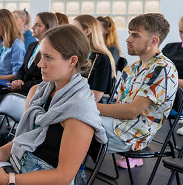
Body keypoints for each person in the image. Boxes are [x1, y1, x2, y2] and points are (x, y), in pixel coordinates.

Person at [0, 25, 107, 185]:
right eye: (41, 56)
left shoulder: (80, 111)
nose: (40, 64)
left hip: (46, 178)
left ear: (72, 61)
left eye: (48, 57)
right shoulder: (39, 92)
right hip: (20, 163)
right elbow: (20, 140)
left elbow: (64, 176)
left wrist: (9, 179)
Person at [97, 13, 178, 169]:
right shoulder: (132, 68)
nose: (128, 39)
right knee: (71, 121)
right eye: (129, 33)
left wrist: (88, 107)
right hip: (118, 125)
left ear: (154, 41)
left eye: (135, 35)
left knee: (75, 122)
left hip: (133, 136)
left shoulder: (163, 69)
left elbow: (131, 111)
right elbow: (119, 106)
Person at [0, 12, 58, 142]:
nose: (32, 28)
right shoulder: (32, 46)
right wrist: (18, 79)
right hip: (19, 86)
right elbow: (21, 69)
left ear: (49, 28)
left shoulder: (51, 51)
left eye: (38, 25)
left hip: (30, 92)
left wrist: (21, 83)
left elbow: (44, 80)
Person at [72, 15, 115, 102]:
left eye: (75, 29)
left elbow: (95, 97)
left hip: (86, 107)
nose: (71, 33)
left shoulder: (101, 59)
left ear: (87, 31)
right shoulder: (76, 54)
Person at [162, 16, 183, 134]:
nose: (182, 35)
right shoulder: (170, 48)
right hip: (164, 93)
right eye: (180, 31)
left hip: (177, 98)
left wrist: (171, 80)